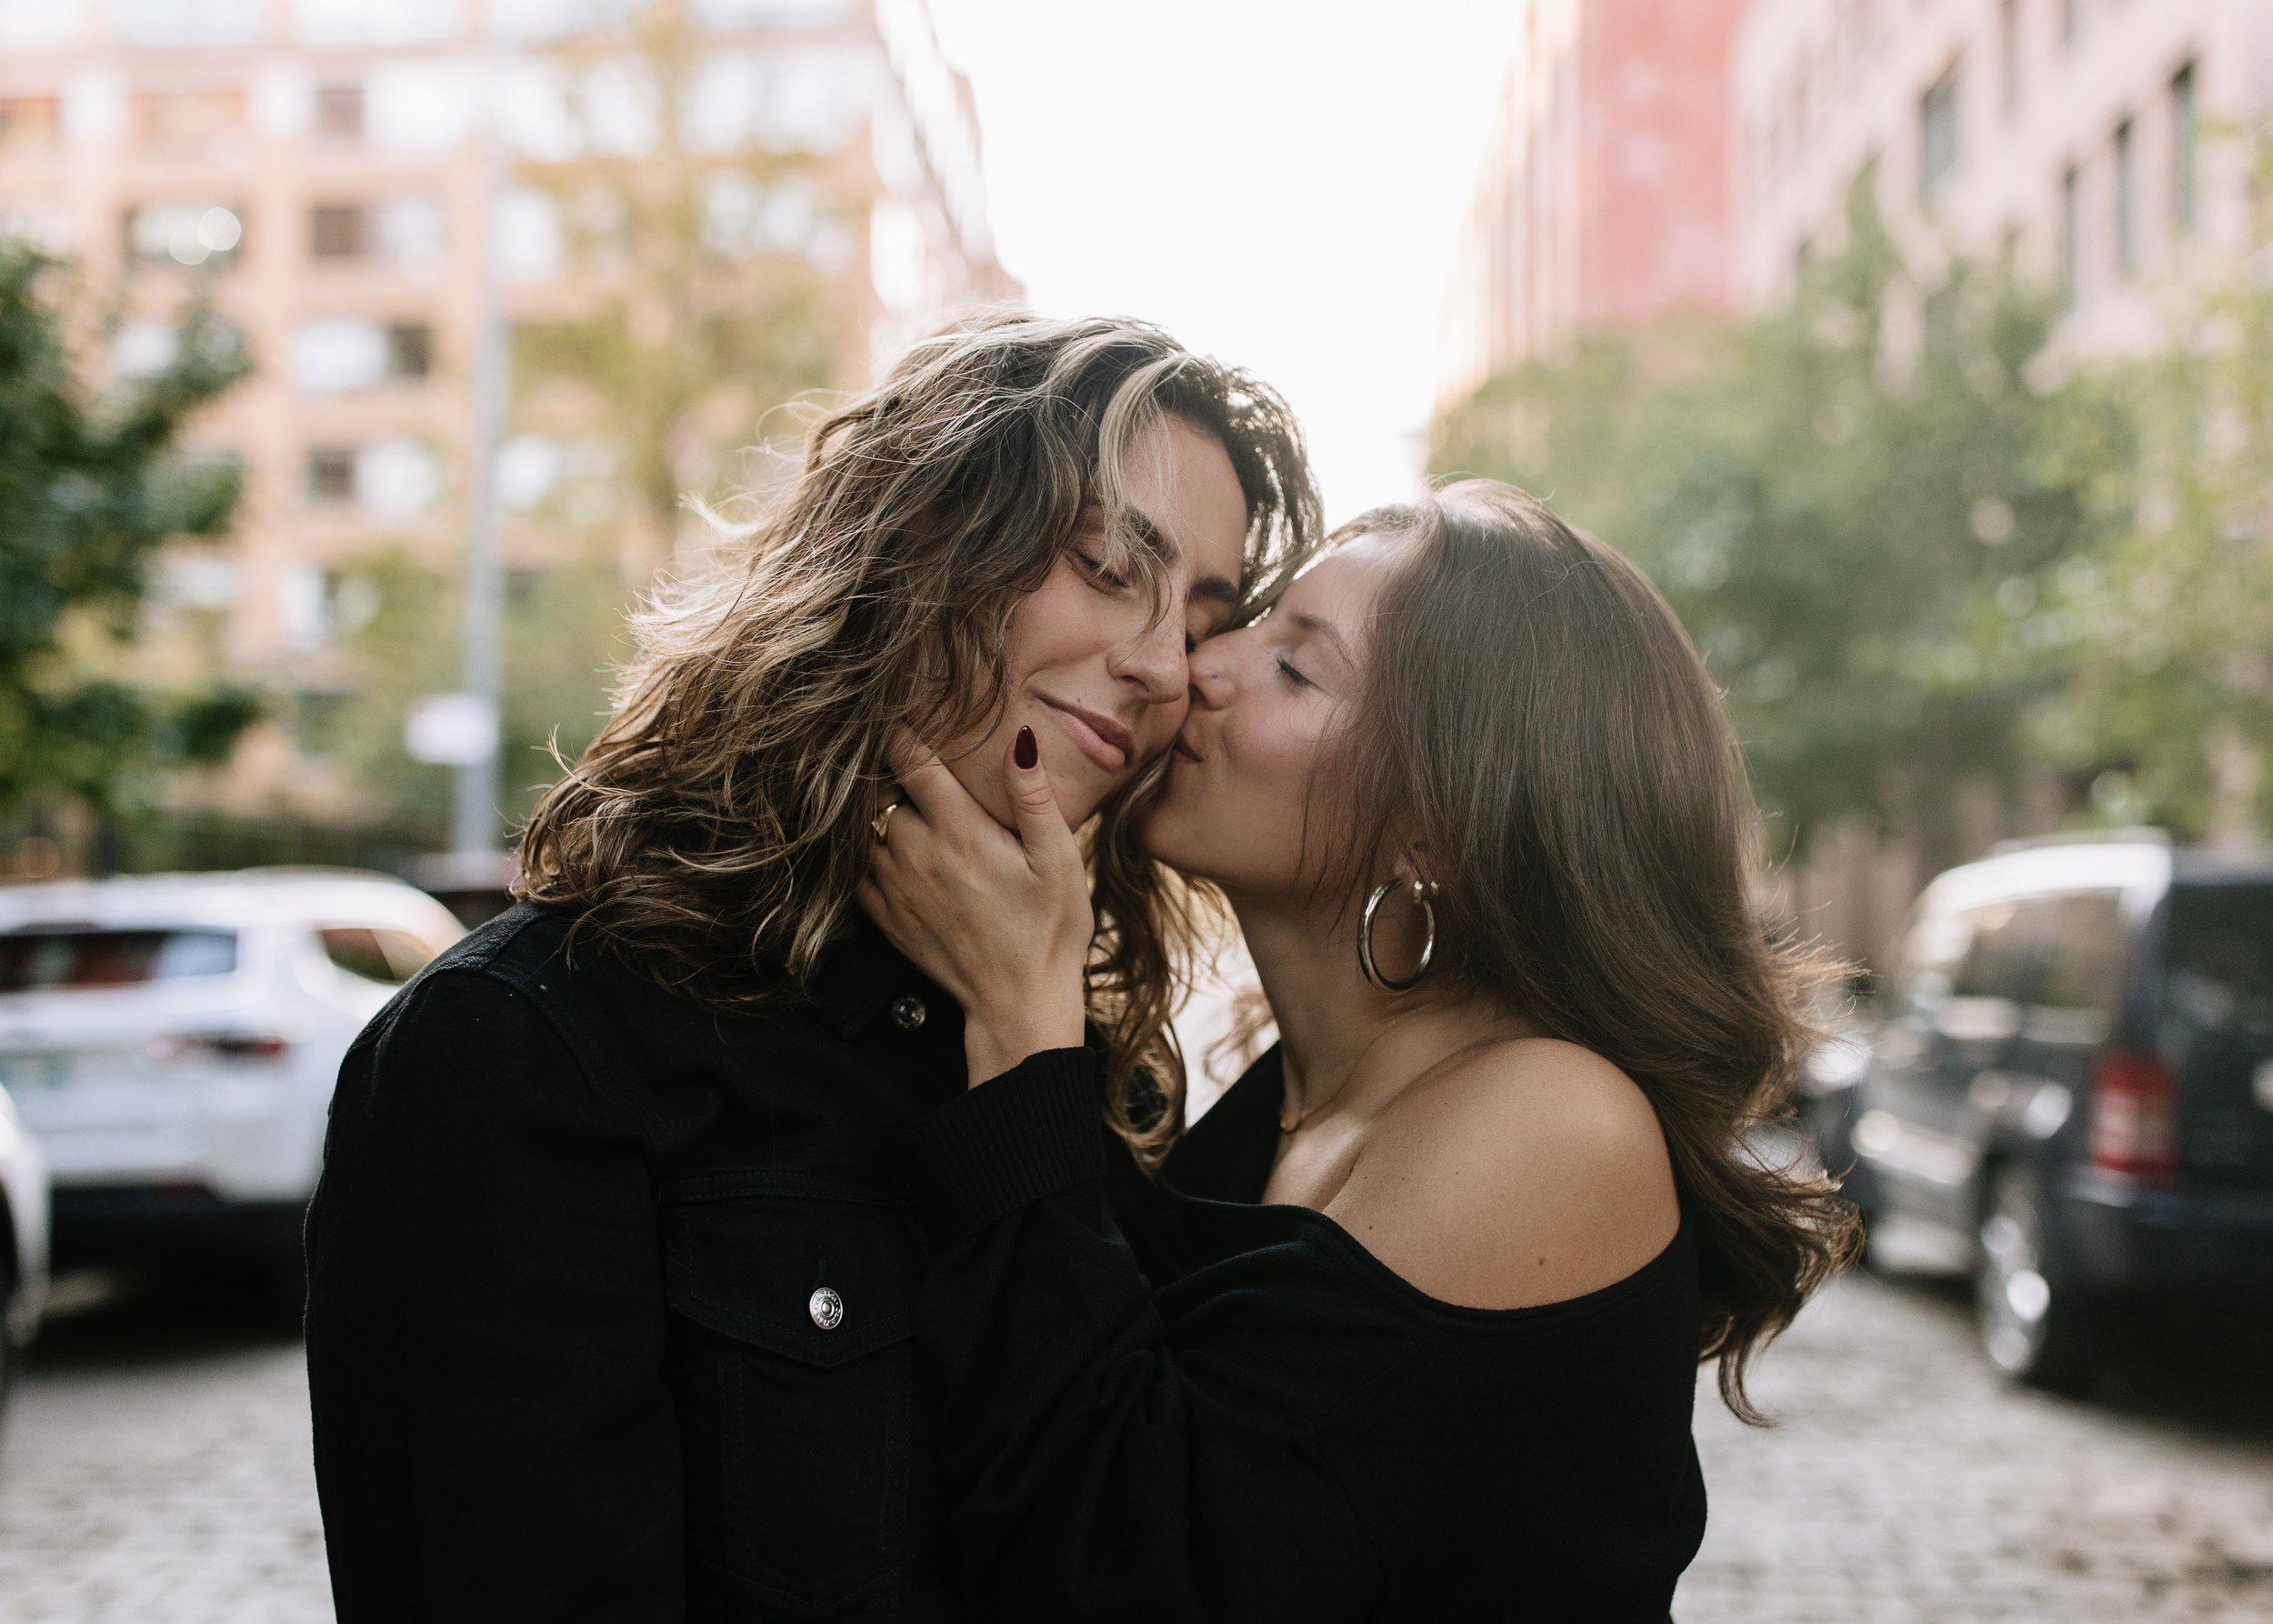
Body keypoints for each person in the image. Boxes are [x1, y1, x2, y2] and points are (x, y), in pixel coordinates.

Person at [302, 313, 1320, 1621]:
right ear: (918, 539)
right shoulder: (521, 1054)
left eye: (1202, 615)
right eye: (1107, 564)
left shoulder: (1059, 1045)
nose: (1161, 665)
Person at [860, 480, 1858, 1621]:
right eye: (1247, 624)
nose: (1204, 666)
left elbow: (1124, 1569)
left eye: (1296, 665)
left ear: (1439, 816)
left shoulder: (1551, 1120)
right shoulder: (1291, 1100)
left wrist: (1021, 1021)